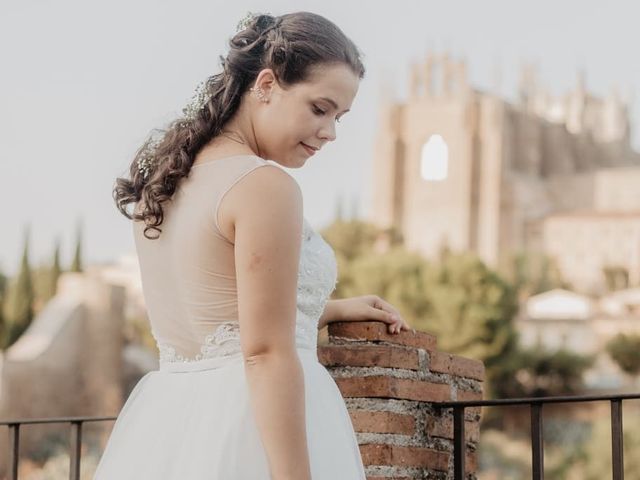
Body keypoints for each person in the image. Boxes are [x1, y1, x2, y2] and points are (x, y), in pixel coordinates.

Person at [95, 10, 411, 480]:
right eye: (319, 109)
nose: (330, 133)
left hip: (167, 427)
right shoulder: (264, 186)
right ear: (265, 85)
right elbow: (264, 352)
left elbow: (218, 310)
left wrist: (327, 309)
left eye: (339, 117)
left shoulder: (161, 187)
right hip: (249, 425)